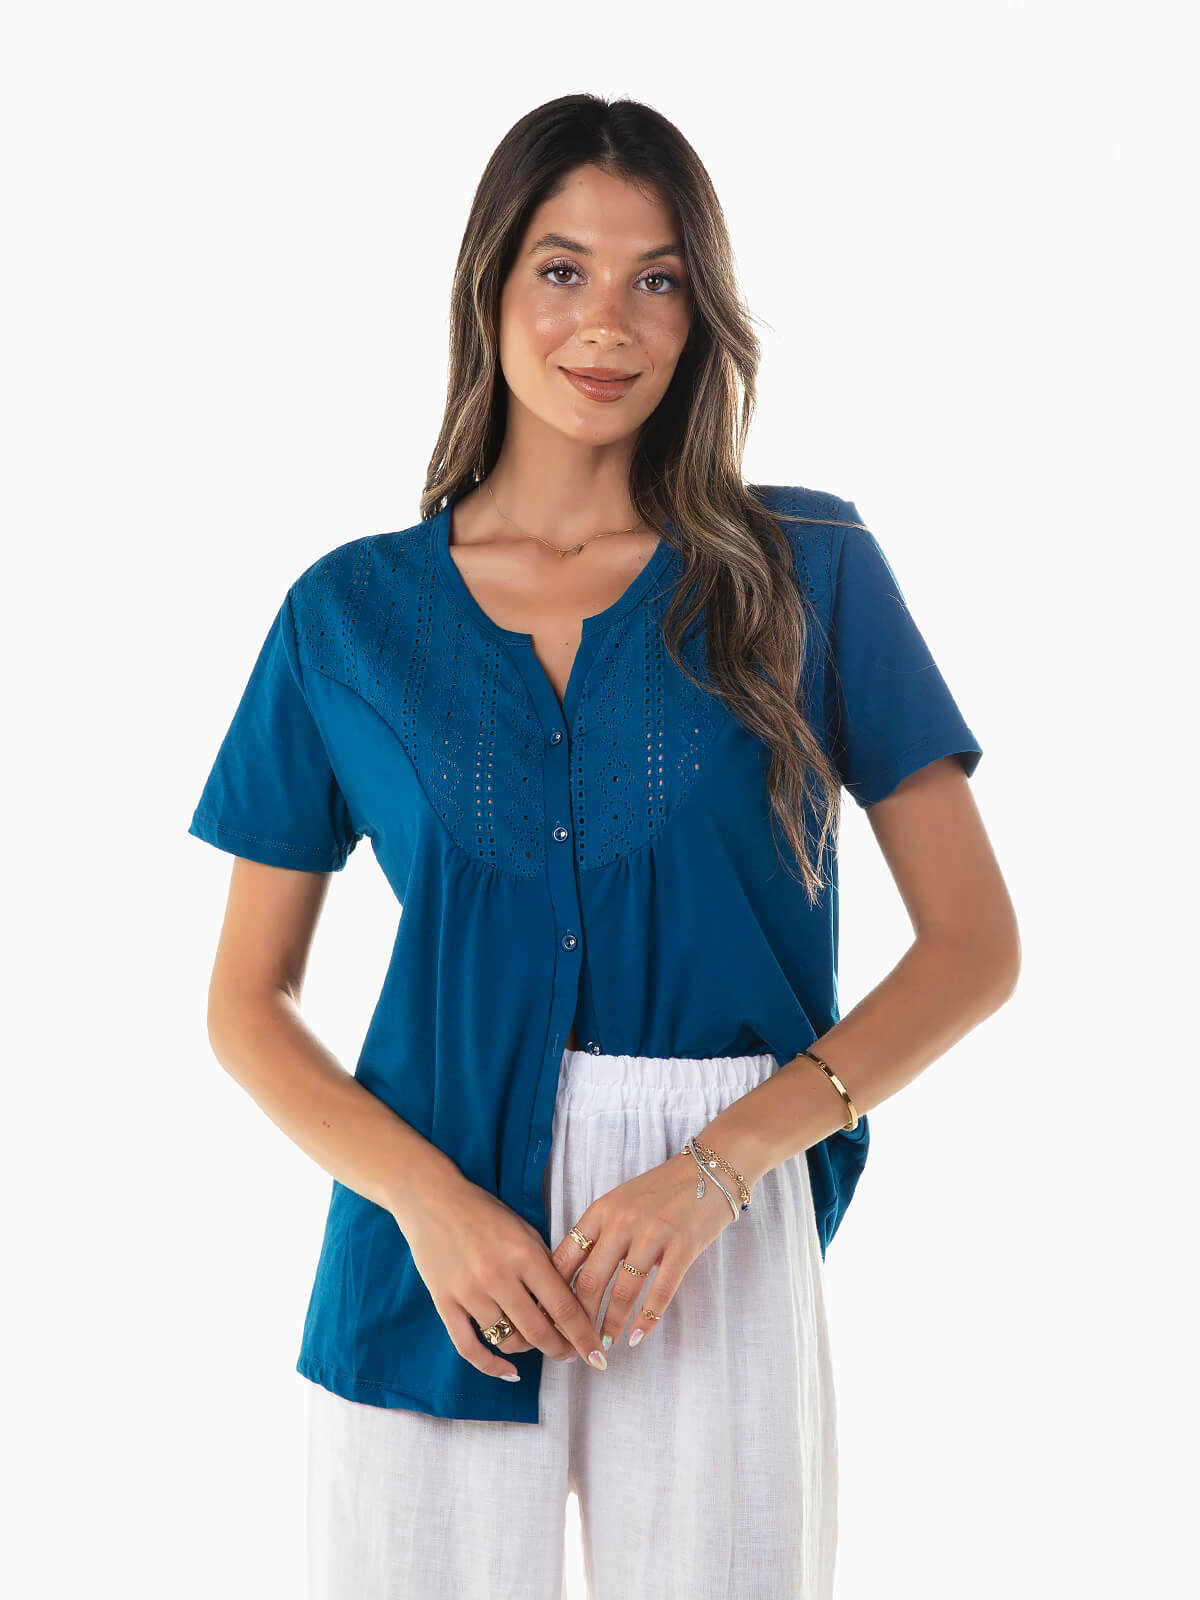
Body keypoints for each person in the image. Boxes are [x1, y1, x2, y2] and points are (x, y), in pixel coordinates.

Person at [187, 93, 1020, 1600]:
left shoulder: (809, 571)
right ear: (489, 286)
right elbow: (247, 1001)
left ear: (701, 315)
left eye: (659, 279)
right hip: (433, 1238)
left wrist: (722, 1164)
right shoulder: (346, 616)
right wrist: (428, 1205)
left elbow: (974, 948)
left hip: (713, 1216)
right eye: (563, 269)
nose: (608, 324)